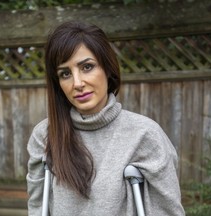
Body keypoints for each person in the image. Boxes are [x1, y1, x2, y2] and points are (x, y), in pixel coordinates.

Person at [26, 21, 185, 216]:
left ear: (107, 68)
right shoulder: (44, 135)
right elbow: (36, 208)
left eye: (87, 67)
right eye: (65, 73)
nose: (77, 83)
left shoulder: (145, 135)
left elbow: (168, 211)